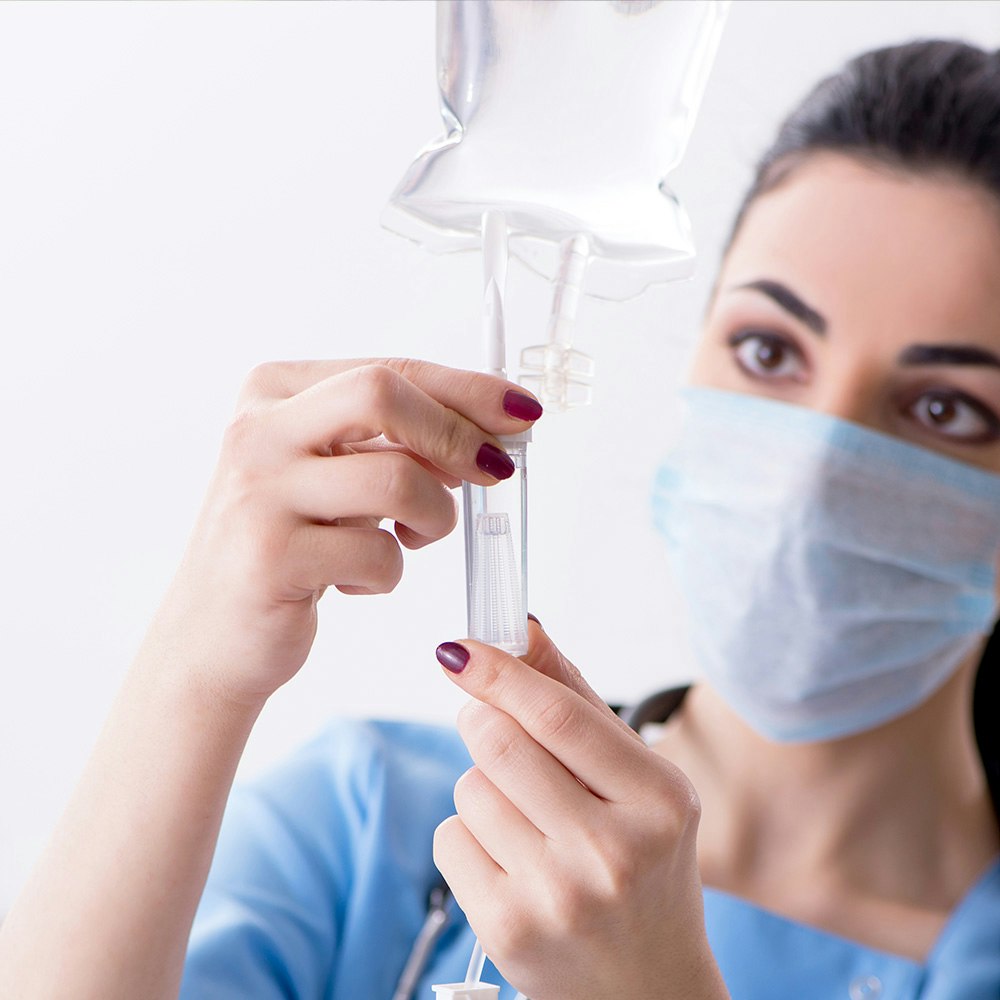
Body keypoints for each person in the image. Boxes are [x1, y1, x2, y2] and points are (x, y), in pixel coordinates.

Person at [1, 37, 999, 1000]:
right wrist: (195, 669)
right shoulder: (378, 829)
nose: (811, 475)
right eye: (769, 350)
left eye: (946, 408)